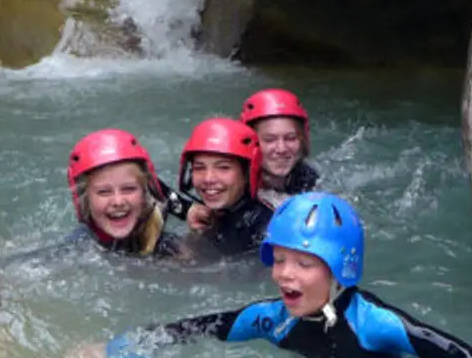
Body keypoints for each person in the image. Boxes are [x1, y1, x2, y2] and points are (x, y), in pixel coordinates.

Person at [87, 193, 472, 358]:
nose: (284, 275)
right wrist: (122, 347)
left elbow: (457, 355)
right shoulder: (271, 319)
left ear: (339, 271)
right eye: (278, 260)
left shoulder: (373, 322)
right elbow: (199, 326)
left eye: (303, 264)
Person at [67, 129, 179, 258]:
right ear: (86, 199)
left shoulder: (172, 248)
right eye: (104, 192)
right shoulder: (75, 251)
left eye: (129, 189)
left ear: (144, 192)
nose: (118, 202)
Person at [174, 117, 270, 259]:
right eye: (199, 168)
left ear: (247, 173)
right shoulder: (215, 215)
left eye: (223, 168)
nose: (208, 179)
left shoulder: (266, 230)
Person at [241, 88, 320, 210]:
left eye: (290, 138)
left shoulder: (307, 177)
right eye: (269, 140)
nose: (281, 149)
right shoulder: (234, 185)